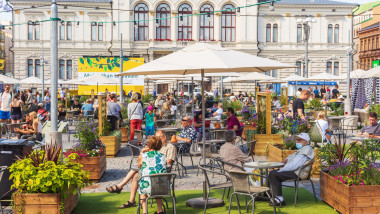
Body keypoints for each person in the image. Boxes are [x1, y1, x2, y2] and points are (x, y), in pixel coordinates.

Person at [106, 131, 175, 210]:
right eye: (156, 137)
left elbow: (168, 162)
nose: (157, 139)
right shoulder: (161, 155)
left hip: (162, 173)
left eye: (159, 137)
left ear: (165, 137)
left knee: (139, 176)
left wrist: (145, 155)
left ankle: (121, 187)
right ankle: (131, 200)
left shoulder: (170, 147)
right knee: (136, 175)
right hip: (158, 176)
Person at [268, 133, 314, 206]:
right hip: (295, 170)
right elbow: (292, 156)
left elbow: (294, 165)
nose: (297, 141)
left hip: (298, 173)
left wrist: (282, 169)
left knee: (274, 174)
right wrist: (285, 160)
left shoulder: (306, 151)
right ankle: (269, 195)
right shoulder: (303, 149)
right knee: (271, 173)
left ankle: (280, 200)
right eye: (297, 139)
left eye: (299, 140)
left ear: (306, 142)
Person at [137, 136, 167, 214]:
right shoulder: (163, 156)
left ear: (149, 144)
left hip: (147, 186)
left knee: (143, 191)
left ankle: (144, 211)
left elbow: (139, 167)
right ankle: (160, 210)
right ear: (160, 145)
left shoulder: (143, 156)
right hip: (163, 187)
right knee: (157, 184)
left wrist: (142, 152)